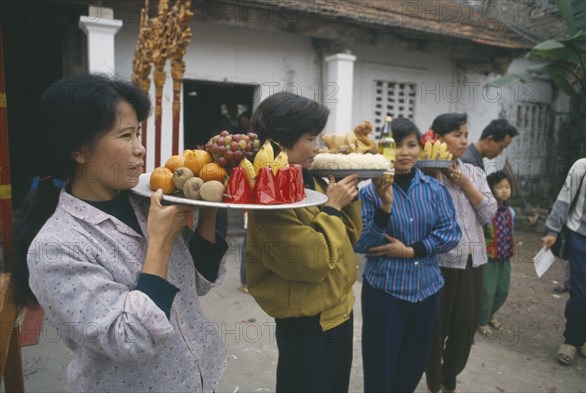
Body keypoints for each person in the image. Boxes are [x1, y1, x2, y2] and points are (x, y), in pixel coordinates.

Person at [10, 74, 228, 392]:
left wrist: (211, 205)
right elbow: (131, 340)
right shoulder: (56, 247)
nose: (140, 149)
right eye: (126, 135)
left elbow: (197, 283)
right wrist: (159, 244)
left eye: (138, 134)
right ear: (78, 151)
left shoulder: (144, 201)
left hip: (196, 377)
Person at [245, 91, 361, 392]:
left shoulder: (310, 178)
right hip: (306, 326)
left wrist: (349, 199)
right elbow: (313, 262)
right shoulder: (268, 199)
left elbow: (348, 239)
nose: (317, 146)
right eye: (310, 138)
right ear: (283, 141)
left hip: (340, 312)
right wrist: (333, 208)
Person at [354, 117, 461, 393]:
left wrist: (411, 250)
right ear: (384, 150)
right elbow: (363, 244)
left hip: (426, 292)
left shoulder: (435, 190)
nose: (404, 152)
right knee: (380, 369)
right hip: (385, 292)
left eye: (411, 145)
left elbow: (451, 233)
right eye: (397, 145)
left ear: (421, 150)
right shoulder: (370, 195)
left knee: (412, 365)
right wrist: (385, 207)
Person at [424, 113, 497, 393]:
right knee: (436, 326)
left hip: (473, 261)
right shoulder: (426, 175)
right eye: (457, 135)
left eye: (466, 134)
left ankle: (449, 377)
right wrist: (439, 177)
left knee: (465, 327)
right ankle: (433, 379)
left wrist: (465, 183)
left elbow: (489, 212)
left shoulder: (475, 173)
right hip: (440, 263)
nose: (464, 140)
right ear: (438, 139)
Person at [542, 156, 586, 365]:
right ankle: (572, 340)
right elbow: (564, 199)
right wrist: (553, 230)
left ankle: (585, 338)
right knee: (584, 293)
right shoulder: (584, 167)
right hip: (581, 238)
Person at [479, 171, 515, 336]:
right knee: (487, 292)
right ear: (491, 189)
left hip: (504, 258)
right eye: (500, 187)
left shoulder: (510, 212)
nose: (504, 190)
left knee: (503, 290)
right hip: (489, 259)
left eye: (507, 187)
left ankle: (491, 314)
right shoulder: (486, 211)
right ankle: (482, 320)